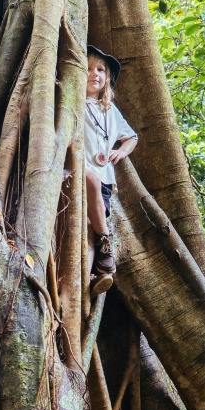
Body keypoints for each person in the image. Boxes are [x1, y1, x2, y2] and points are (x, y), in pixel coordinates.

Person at [83, 44, 136, 289]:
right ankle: (107, 245)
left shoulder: (109, 109)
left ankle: (95, 276)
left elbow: (131, 137)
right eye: (89, 68)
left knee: (87, 231)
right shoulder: (73, 101)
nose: (95, 73)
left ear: (107, 79)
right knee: (90, 182)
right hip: (77, 173)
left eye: (101, 70)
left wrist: (120, 152)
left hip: (104, 178)